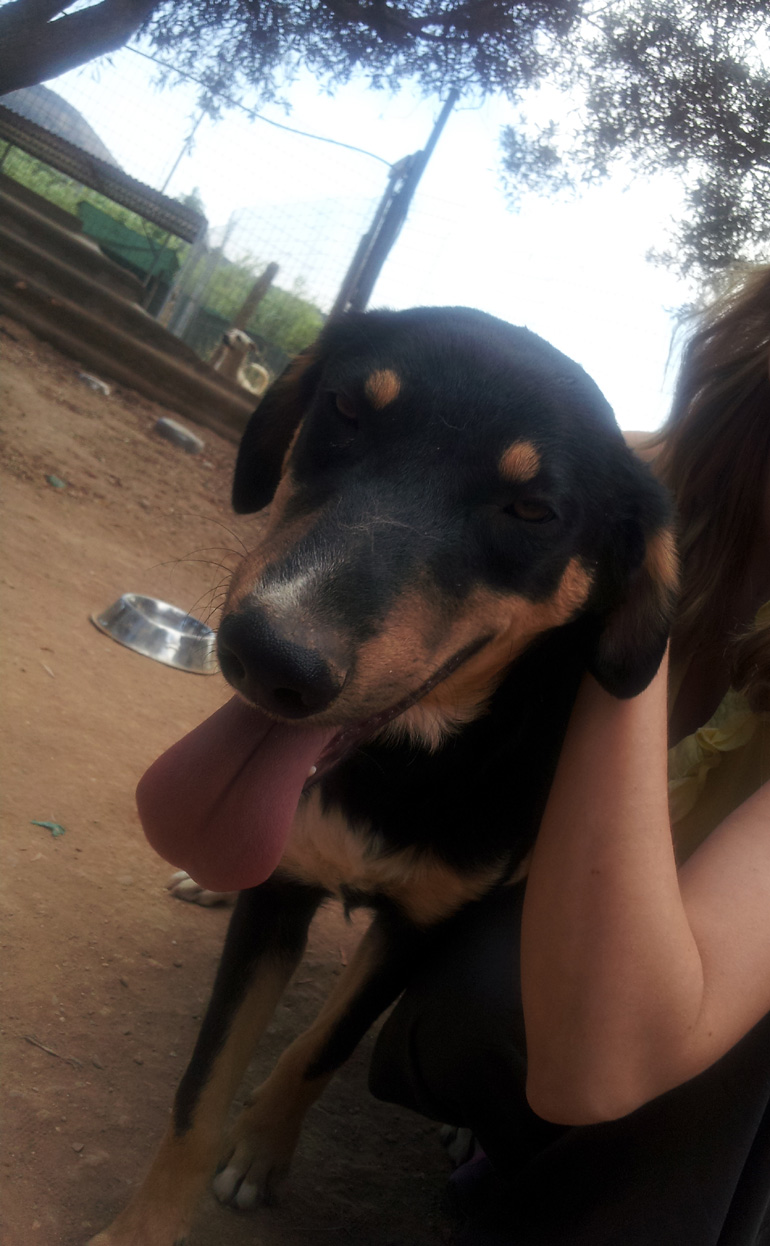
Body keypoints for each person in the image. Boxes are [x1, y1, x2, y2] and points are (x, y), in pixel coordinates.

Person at [368, 265, 770, 1245]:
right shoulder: (600, 497)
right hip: (510, 983)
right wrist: (634, 575)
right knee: (535, 1010)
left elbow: (609, 1057)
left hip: (657, 1028)